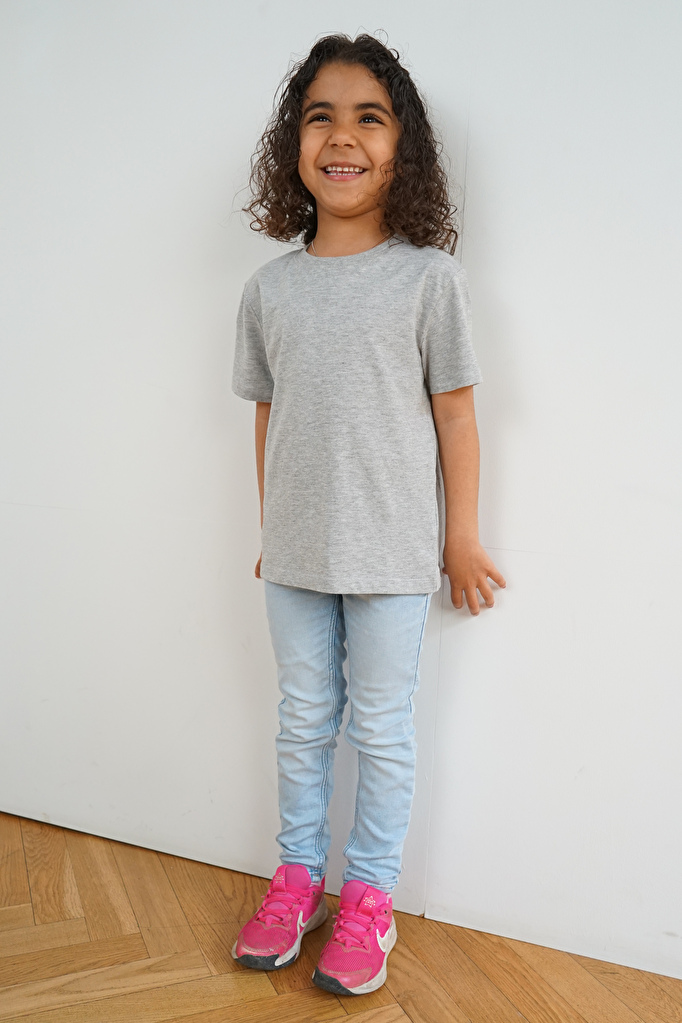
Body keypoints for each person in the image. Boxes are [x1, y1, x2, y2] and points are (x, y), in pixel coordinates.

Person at [230, 32, 506, 996]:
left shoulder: (429, 280)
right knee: (303, 720)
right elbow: (268, 415)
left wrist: (459, 536)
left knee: (381, 729)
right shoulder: (268, 290)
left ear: (403, 148)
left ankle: (370, 896)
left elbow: (457, 414)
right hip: (295, 556)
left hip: (392, 554)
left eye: (369, 118)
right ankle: (297, 879)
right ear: (294, 145)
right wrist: (272, 528)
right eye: (321, 117)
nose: (342, 137)